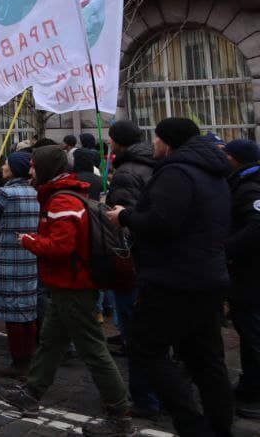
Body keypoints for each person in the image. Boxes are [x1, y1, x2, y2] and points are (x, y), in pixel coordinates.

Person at [107, 118, 233, 437]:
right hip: (206, 276)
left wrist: (124, 216)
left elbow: (161, 222)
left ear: (168, 142)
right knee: (204, 359)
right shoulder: (211, 171)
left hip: (175, 279)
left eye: (157, 139)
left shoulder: (177, 172)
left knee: (145, 347)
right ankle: (220, 427)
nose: (154, 145)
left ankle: (192, 425)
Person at [0, 145, 132, 437]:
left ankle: (119, 413)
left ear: (45, 167)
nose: (30, 171)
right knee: (50, 342)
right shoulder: (62, 195)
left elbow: (62, 246)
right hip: (65, 284)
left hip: (74, 285)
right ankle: (31, 394)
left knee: (93, 349)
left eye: (33, 166)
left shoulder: (60, 201)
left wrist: (30, 242)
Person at [103, 118, 160, 414]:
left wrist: (110, 212)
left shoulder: (127, 171)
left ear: (118, 141)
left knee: (136, 333)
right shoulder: (155, 163)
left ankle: (147, 399)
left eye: (111, 139)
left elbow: (122, 223)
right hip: (156, 260)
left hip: (134, 259)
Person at [0, 149, 39, 379]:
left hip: (8, 258)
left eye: (6, 164)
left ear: (13, 169)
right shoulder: (34, 191)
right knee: (28, 311)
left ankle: (18, 362)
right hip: (29, 256)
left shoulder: (6, 193)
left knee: (13, 314)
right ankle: (27, 359)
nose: (3, 167)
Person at [224, 138, 260, 420]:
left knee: (253, 335)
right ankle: (250, 386)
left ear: (236, 159)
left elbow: (256, 229)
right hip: (247, 273)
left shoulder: (249, 187)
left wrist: (226, 250)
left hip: (250, 274)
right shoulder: (243, 182)